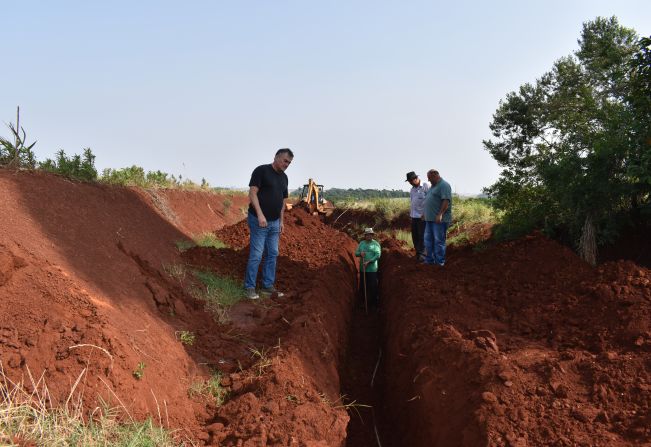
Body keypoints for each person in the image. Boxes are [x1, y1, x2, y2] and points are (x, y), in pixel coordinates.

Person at [244, 148, 294, 299]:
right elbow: (252, 193)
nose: (287, 164)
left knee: (272, 253)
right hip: (259, 221)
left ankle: (267, 286)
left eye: (289, 163)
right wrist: (260, 215)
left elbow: (282, 201)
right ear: (276, 157)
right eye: (285, 161)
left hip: (274, 223)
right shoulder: (262, 171)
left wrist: (281, 221)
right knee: (257, 254)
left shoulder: (284, 178)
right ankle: (249, 287)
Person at [422, 169, 452, 266]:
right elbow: (429, 201)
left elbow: (446, 201)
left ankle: (439, 263)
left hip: (439, 220)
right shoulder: (432, 187)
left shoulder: (444, 185)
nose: (428, 180)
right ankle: (429, 260)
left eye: (430, 178)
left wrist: (440, 214)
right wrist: (424, 213)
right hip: (429, 219)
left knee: (439, 241)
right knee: (428, 240)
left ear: (435, 175)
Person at [354, 227, 381, 309]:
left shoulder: (375, 244)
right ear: (365, 235)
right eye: (367, 235)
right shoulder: (362, 243)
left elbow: (378, 255)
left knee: (373, 286)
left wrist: (369, 261)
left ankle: (374, 303)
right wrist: (360, 253)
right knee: (363, 286)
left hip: (372, 269)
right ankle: (363, 303)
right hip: (363, 269)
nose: (369, 236)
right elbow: (356, 253)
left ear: (372, 235)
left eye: (370, 235)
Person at [405, 171, 429, 261]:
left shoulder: (426, 185)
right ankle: (418, 254)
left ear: (415, 179)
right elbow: (413, 203)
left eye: (411, 181)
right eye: (409, 182)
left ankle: (423, 257)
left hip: (423, 217)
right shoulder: (412, 190)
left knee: (422, 237)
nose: (410, 183)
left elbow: (431, 200)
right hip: (414, 217)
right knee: (415, 237)